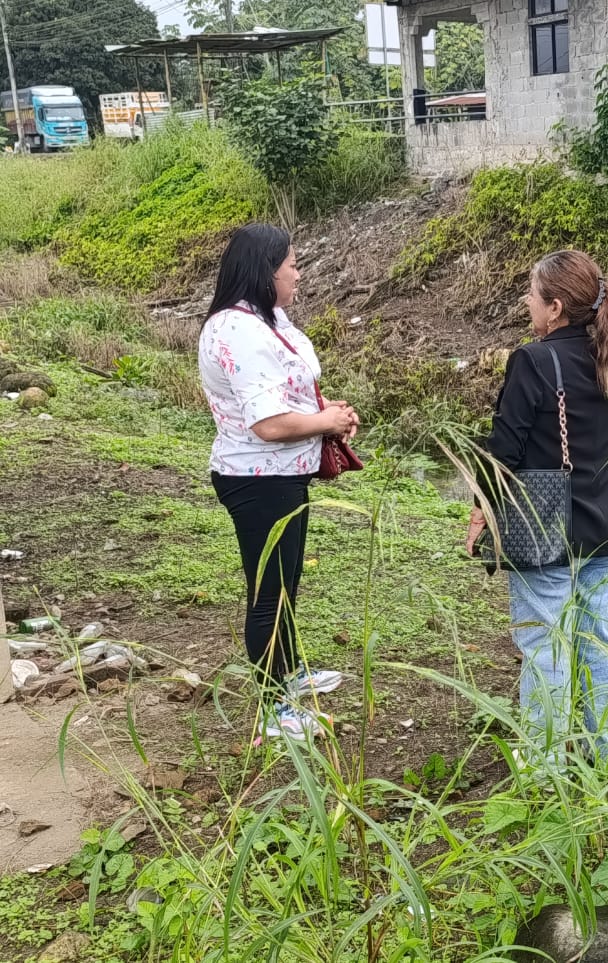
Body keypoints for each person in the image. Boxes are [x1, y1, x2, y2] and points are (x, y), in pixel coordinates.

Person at [466, 250, 608, 769]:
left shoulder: (534, 360)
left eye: (532, 294)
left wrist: (481, 512)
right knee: (597, 639)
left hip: (544, 527)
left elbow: (503, 451)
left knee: (545, 646)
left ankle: (545, 768)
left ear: (555, 307)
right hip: (605, 522)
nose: (527, 301)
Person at [198, 224, 360, 741]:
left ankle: (286, 675)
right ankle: (274, 709)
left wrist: (327, 413)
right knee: (268, 593)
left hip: (281, 475)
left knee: (286, 584)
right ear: (265, 271)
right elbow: (267, 424)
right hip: (258, 478)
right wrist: (325, 422)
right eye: (292, 264)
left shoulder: (263, 318)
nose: (298, 273)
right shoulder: (239, 330)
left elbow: (284, 394)